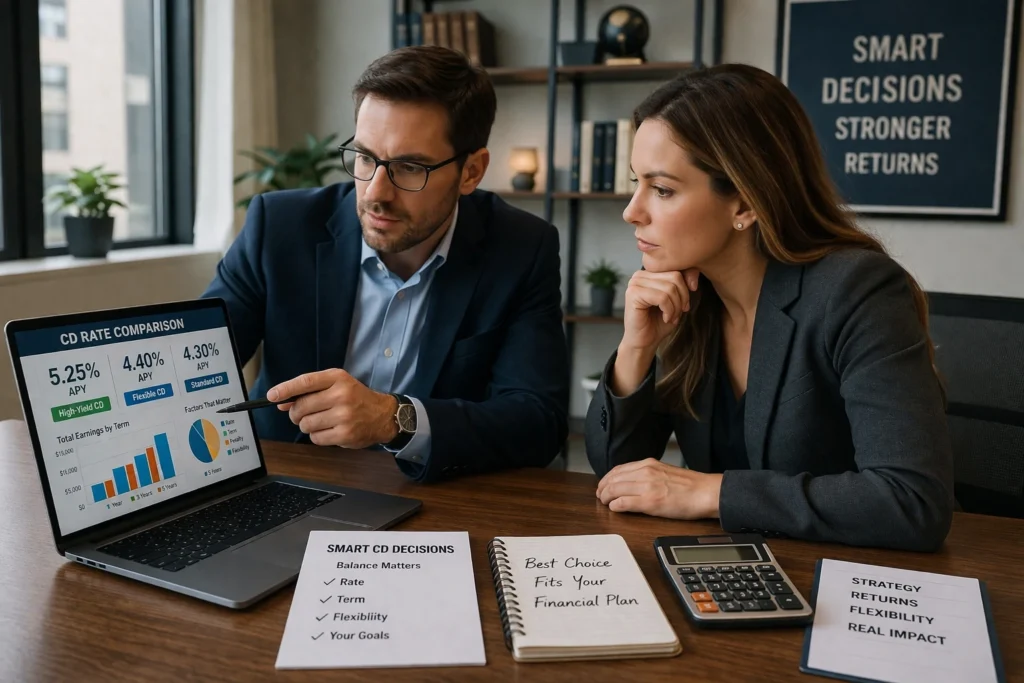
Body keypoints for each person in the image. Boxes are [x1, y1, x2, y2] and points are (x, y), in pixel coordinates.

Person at [584, 63, 954, 552]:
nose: (632, 211)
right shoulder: (686, 294)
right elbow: (617, 476)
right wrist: (637, 347)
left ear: (744, 204)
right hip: (737, 572)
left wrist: (711, 493)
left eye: (662, 189)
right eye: (637, 182)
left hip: (847, 576)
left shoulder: (855, 290)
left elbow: (912, 502)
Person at [203, 46, 570, 482]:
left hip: (434, 493)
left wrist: (394, 419)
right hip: (289, 478)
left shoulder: (521, 248)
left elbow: (537, 421)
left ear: (471, 171)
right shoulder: (279, 227)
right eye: (365, 157)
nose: (376, 192)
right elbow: (201, 364)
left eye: (409, 167)